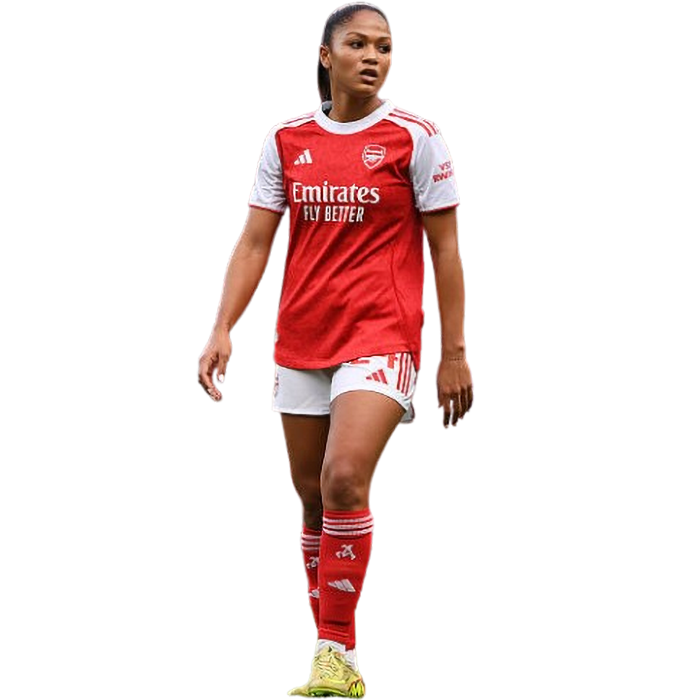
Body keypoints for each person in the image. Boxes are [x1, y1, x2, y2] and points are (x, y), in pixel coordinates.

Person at [197, 3, 474, 697]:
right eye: (357, 44)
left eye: (385, 46)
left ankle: (335, 652)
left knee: (345, 477)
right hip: (302, 337)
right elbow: (255, 241)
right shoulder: (287, 139)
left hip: (382, 334)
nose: (374, 57)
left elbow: (445, 251)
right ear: (326, 56)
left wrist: (455, 352)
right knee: (314, 500)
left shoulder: (415, 139)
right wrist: (224, 327)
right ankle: (333, 660)